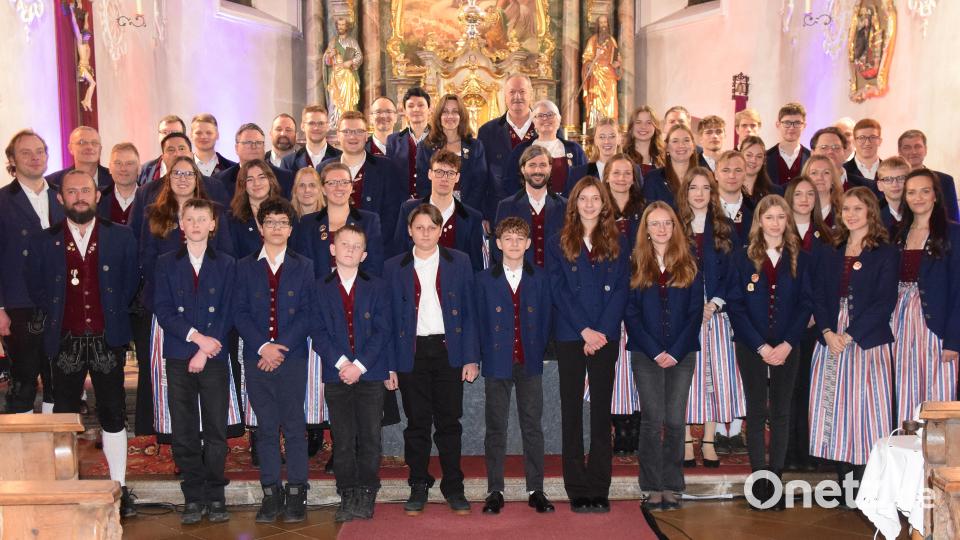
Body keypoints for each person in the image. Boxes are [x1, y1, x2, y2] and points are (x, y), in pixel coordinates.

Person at [25, 170, 138, 516]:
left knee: (113, 413)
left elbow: (131, 281)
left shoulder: (121, 236)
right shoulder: (45, 240)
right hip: (65, 340)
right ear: (60, 199)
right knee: (64, 416)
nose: (79, 197)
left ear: (97, 195)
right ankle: (64, 488)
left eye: (85, 190)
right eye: (71, 192)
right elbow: (36, 287)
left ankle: (118, 488)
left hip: (108, 338)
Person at [384, 204, 479, 516]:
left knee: (449, 423)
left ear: (440, 230)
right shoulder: (393, 267)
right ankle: (418, 483)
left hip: (448, 351)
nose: (425, 233)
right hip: (411, 353)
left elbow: (470, 311)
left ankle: (453, 485)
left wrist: (471, 358)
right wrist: (389, 365)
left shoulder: (459, 261)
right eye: (419, 227)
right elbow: (387, 320)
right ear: (409, 231)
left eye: (431, 227)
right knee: (417, 423)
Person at [140, 157, 240, 443]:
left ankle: (212, 443)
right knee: (178, 389)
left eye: (189, 173)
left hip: (211, 312)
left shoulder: (212, 212)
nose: (183, 178)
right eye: (177, 173)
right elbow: (146, 257)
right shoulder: (155, 212)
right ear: (167, 178)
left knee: (212, 388)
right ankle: (181, 443)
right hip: (172, 312)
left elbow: (226, 255)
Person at [810, 187, 897, 505]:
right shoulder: (829, 249)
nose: (851, 214)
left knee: (864, 413)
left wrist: (849, 335)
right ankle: (844, 486)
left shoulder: (885, 252)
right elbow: (818, 295)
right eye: (846, 209)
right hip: (831, 338)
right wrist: (827, 331)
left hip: (866, 340)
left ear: (871, 211)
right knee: (835, 410)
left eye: (858, 208)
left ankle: (866, 486)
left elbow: (884, 302)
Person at [152, 198, 236, 524]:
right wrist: (195, 339)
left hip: (213, 354)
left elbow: (228, 310)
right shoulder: (166, 263)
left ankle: (215, 494)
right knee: (184, 427)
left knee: (216, 428)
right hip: (179, 353)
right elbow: (163, 309)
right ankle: (193, 495)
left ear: (213, 225)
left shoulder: (227, 263)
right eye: (190, 219)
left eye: (203, 219)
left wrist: (205, 348)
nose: (196, 224)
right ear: (181, 225)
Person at [548, 177, 628, 513]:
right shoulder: (559, 241)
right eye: (584, 198)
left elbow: (621, 288)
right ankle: (577, 487)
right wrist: (584, 330)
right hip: (571, 333)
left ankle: (598, 485)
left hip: (605, 335)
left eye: (596, 198)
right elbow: (558, 289)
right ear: (574, 204)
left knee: (600, 413)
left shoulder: (618, 240)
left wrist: (601, 332)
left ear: (604, 203)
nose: (590, 204)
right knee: (571, 411)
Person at [728, 195, 813, 510]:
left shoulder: (800, 257)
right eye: (769, 217)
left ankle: (775, 480)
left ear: (787, 221)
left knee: (780, 412)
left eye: (781, 217)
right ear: (759, 221)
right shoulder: (742, 257)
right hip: (752, 344)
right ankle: (759, 481)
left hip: (787, 346)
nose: (775, 223)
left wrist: (788, 343)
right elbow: (736, 305)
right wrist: (760, 345)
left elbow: (805, 303)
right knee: (755, 410)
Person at [234, 197, 314, 523]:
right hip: (257, 358)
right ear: (260, 227)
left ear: (291, 229)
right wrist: (262, 347)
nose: (277, 228)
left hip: (291, 358)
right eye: (270, 222)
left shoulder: (304, 265)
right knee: (265, 427)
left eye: (283, 223)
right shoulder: (244, 266)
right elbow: (238, 312)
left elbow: (308, 312)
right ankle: (270, 492)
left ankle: (296, 492)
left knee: (294, 425)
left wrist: (279, 348)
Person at [626, 201, 703, 511]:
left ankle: (672, 484)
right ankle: (651, 485)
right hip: (646, 353)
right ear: (646, 229)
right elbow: (630, 313)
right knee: (651, 419)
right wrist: (656, 350)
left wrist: (675, 350)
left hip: (682, 353)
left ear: (675, 227)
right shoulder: (634, 263)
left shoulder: (689, 263)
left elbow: (695, 312)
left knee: (674, 420)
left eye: (667, 223)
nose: (661, 228)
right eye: (654, 223)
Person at [312, 224, 392, 522]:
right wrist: (342, 364)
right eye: (344, 244)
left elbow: (383, 329)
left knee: (370, 436)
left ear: (364, 254)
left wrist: (359, 365)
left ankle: (367, 491)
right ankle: (347, 492)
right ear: (333, 249)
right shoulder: (318, 287)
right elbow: (318, 331)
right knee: (343, 438)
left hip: (369, 374)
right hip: (337, 375)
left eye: (356, 246)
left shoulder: (378, 286)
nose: (350, 250)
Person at [478, 217, 554, 515]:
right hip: (497, 362)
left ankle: (536, 489)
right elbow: (478, 320)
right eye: (508, 238)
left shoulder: (540, 278)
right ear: (497, 243)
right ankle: (495, 490)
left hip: (529, 361)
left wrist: (538, 349)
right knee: (496, 427)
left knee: (532, 426)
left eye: (519, 238)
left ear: (528, 243)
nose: (513, 243)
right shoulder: (484, 279)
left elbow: (546, 318)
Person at [676, 167, 746, 468]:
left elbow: (735, 271)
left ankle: (708, 440)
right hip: (682, 312)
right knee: (685, 377)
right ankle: (684, 441)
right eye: (693, 187)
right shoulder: (674, 224)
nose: (699, 193)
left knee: (713, 378)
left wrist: (714, 303)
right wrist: (690, 305)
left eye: (705, 188)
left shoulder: (724, 226)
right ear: (685, 191)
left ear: (712, 192)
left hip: (716, 314)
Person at [0, 130, 63, 416]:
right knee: (23, 379)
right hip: (19, 304)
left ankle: (54, 438)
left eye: (40, 151)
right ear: (12, 160)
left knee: (58, 377)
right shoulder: (3, 200)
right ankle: (22, 442)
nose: (35, 157)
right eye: (26, 153)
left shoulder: (63, 195)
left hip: (59, 300)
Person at [891, 169, 960, 427]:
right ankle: (907, 445)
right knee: (904, 387)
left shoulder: (953, 234)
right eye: (911, 192)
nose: (918, 197)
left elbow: (958, 290)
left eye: (925, 191)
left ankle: (938, 449)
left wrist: (953, 340)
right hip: (899, 322)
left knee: (938, 392)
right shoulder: (898, 233)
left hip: (935, 324)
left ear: (935, 196)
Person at [782, 176, 832, 472]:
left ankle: (809, 451)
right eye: (798, 194)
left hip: (815, 322)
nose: (804, 199)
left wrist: (815, 311)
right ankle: (787, 452)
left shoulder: (827, 235)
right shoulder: (779, 230)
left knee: (810, 388)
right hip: (785, 322)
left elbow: (826, 281)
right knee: (788, 389)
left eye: (809, 194)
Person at [600, 155, 646, 453]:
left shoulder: (644, 208)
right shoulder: (597, 208)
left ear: (634, 177)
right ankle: (616, 422)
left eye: (627, 173)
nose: (621, 178)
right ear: (606, 176)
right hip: (609, 291)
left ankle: (635, 422)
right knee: (614, 361)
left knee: (637, 358)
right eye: (616, 173)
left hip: (641, 289)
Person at [318, 111, 405, 244]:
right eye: (347, 131)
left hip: (374, 245)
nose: (353, 136)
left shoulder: (387, 168)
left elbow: (392, 216)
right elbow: (318, 210)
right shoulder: (323, 169)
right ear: (338, 135)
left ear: (366, 135)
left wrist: (370, 245)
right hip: (330, 246)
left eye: (359, 131)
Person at [397, 149, 484, 270]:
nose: (444, 178)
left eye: (450, 173)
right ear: (429, 174)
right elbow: (399, 256)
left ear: (457, 177)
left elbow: (475, 266)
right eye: (439, 172)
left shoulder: (472, 217)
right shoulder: (408, 210)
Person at [415, 94, 491, 214]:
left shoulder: (475, 146)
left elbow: (480, 184)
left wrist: (463, 211)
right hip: (434, 211)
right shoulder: (426, 146)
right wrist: (434, 211)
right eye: (445, 112)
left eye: (455, 112)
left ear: (461, 116)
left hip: (468, 210)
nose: (450, 116)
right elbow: (423, 184)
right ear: (439, 116)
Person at [492, 145, 567, 267]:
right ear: (523, 169)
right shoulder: (506, 206)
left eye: (543, 165)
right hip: (521, 276)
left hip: (556, 277)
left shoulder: (566, 206)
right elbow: (497, 250)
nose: (537, 170)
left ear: (550, 168)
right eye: (532, 165)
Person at [478, 75, 540, 218]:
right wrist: (484, 215)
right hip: (499, 212)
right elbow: (481, 177)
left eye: (522, 91)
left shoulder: (546, 128)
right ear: (505, 96)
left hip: (539, 211)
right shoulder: (487, 131)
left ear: (531, 94)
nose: (517, 97)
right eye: (512, 92)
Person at [503, 100, 587, 198]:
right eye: (540, 115)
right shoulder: (521, 150)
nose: (545, 118)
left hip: (567, 205)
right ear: (534, 121)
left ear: (559, 120)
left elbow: (585, 181)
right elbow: (510, 181)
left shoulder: (575, 150)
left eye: (550, 114)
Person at [216, 123, 295, 199]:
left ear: (264, 147)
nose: (254, 147)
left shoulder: (285, 178)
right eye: (248, 142)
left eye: (258, 143)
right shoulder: (220, 181)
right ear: (236, 148)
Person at [568, 117, 641, 196]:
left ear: (619, 139)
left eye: (612, 136)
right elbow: (570, 201)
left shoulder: (634, 170)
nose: (607, 141)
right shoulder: (579, 173)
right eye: (602, 137)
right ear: (595, 140)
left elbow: (639, 200)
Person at [897, 129, 960, 221]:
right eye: (907, 147)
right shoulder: (891, 182)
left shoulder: (945, 180)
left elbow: (953, 218)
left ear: (925, 150)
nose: (913, 152)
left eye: (917, 146)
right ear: (899, 151)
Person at [227, 159, 284, 260]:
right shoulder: (232, 219)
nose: (256, 183)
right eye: (250, 179)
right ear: (243, 185)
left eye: (262, 177)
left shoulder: (286, 212)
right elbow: (231, 257)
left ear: (270, 180)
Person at [386, 87, 432, 199]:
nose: (416, 109)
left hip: (431, 204)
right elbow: (389, 178)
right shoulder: (393, 141)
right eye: (411, 106)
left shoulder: (441, 139)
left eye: (421, 105)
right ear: (404, 111)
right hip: (401, 203)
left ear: (429, 109)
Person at [643, 124, 699, 208]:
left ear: (693, 146)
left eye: (686, 140)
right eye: (675, 141)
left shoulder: (704, 178)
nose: (681, 145)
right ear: (667, 148)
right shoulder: (653, 179)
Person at [810, 126, 876, 194]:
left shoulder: (869, 188)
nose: (830, 151)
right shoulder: (804, 186)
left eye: (836, 147)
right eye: (824, 147)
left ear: (844, 152)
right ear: (812, 153)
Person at [46, 126, 114, 191]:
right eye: (82, 142)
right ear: (70, 148)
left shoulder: (114, 179)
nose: (89, 147)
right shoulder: (52, 183)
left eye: (94, 143)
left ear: (100, 149)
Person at [280, 106, 342, 171]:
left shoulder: (341, 158)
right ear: (302, 126)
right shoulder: (288, 162)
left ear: (327, 126)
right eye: (311, 123)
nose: (316, 128)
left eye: (321, 123)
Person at [765, 103, 810, 186]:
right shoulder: (765, 157)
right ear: (778, 125)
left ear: (804, 126)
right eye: (787, 123)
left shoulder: (811, 158)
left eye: (797, 123)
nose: (792, 127)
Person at [716, 150, 754, 242]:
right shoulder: (704, 209)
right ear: (716, 175)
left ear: (745, 174)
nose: (732, 176)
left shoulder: (756, 210)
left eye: (738, 170)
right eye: (725, 170)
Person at [98, 143, 140, 226]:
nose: (123, 169)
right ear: (110, 168)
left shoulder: (152, 198)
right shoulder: (95, 197)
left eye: (129, 163)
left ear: (139, 169)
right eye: (118, 163)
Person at [139, 115, 187, 185]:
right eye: (165, 132)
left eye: (174, 133)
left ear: (184, 137)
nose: (168, 136)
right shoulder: (145, 170)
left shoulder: (196, 169)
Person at [801, 154, 844, 227]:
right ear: (806, 179)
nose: (820, 177)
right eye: (814, 173)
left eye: (826, 172)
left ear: (833, 179)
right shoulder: (797, 211)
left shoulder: (844, 210)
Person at [739, 135, 782, 207]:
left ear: (764, 160)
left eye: (759, 156)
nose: (753, 160)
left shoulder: (776, 192)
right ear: (740, 156)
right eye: (749, 155)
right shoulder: (729, 189)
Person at [190, 113, 237, 178]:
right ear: (191, 135)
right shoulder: (181, 168)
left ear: (217, 135)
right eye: (198, 133)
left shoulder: (233, 169)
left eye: (209, 133)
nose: (203, 136)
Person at [623, 105, 665, 176]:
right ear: (631, 127)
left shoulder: (664, 158)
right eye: (638, 122)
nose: (643, 126)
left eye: (649, 122)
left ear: (655, 127)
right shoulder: (623, 156)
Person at [876, 156, 910, 232]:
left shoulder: (918, 211)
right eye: (888, 179)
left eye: (901, 178)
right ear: (880, 185)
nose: (895, 184)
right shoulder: (872, 214)